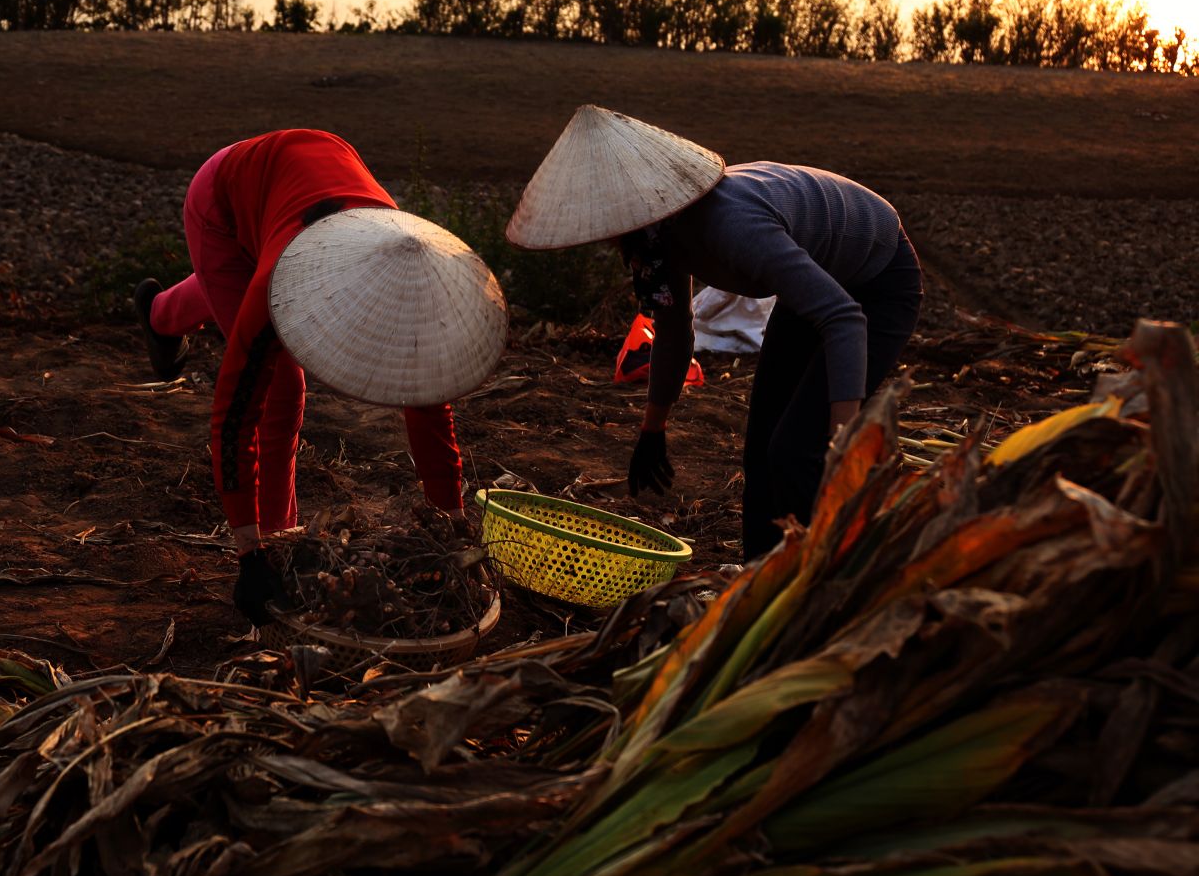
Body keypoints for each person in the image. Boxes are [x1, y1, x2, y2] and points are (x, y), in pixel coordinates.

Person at [506, 105, 922, 558]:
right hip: (819, 285)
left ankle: (824, 577)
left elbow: (843, 318)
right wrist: (652, 429)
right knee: (762, 447)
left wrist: (841, 441)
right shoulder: (657, 243)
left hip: (876, 284)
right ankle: (760, 572)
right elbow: (673, 328)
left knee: (796, 451)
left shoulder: (730, 225)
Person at [134, 129, 508, 623]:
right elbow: (235, 409)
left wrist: (452, 522)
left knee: (239, 293)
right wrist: (252, 555)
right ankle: (280, 535)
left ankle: (159, 313)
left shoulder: (409, 268)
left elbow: (429, 401)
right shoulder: (282, 275)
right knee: (282, 385)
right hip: (222, 199)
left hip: (308, 170)